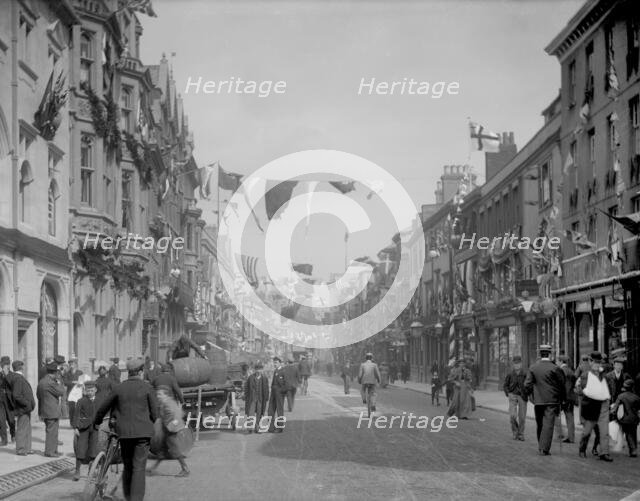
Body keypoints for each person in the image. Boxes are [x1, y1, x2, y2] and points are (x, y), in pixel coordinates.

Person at [94, 358, 158, 501]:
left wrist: (97, 421)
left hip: (124, 434)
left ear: (128, 373)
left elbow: (103, 407)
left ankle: (129, 497)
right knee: (139, 468)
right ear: (140, 372)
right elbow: (155, 413)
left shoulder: (119, 387)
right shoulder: (148, 388)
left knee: (128, 466)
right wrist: (148, 423)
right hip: (142, 434)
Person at [524, 344, 566, 456]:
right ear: (550, 354)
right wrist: (563, 400)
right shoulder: (555, 368)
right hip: (552, 400)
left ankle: (541, 445)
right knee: (548, 424)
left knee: (540, 423)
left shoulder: (533, 367)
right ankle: (544, 448)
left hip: (538, 401)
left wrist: (528, 396)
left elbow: (527, 384)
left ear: (540, 354)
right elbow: (562, 385)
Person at [576, 351, 613, 461]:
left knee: (604, 431)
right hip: (591, 405)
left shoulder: (604, 375)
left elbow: (608, 388)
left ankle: (604, 453)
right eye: (595, 362)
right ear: (590, 362)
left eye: (599, 363)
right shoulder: (585, 375)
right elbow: (580, 391)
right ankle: (582, 449)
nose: (597, 365)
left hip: (603, 405)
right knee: (587, 431)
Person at [149, 386, 190, 477]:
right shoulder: (165, 402)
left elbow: (177, 414)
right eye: (157, 394)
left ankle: (185, 469)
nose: (158, 396)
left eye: (160, 394)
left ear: (166, 395)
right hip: (167, 429)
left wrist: (171, 425)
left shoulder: (168, 403)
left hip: (170, 430)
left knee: (174, 450)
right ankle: (153, 468)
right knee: (162, 451)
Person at [37, 360, 66, 457]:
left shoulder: (42, 381)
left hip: (45, 410)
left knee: (52, 431)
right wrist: (59, 382)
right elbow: (61, 391)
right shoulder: (51, 383)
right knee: (52, 432)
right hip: (52, 411)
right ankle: (50, 452)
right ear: (54, 372)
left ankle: (54, 451)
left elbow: (38, 395)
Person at [72, 380, 98, 481]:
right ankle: (77, 471)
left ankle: (91, 471)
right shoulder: (81, 401)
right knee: (80, 449)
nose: (90, 392)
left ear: (95, 390)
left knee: (93, 449)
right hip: (83, 428)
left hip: (95, 428)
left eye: (91, 390)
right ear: (85, 391)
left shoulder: (99, 400)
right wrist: (75, 428)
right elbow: (76, 415)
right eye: (88, 390)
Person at [10, 361, 34, 456]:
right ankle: (20, 449)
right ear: (20, 367)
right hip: (23, 408)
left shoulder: (18, 377)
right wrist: (27, 403)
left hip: (25, 408)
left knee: (27, 428)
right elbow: (16, 395)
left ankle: (27, 448)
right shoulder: (18, 378)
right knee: (22, 428)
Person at [612, 379, 640, 457]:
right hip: (634, 419)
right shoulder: (637, 397)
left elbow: (614, 409)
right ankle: (634, 449)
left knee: (628, 434)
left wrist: (613, 415)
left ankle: (633, 450)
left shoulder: (621, 396)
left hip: (624, 419)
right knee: (633, 433)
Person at [503, 355, 527, 441]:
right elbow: (505, 385)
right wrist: (508, 393)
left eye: (518, 363)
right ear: (513, 364)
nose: (517, 365)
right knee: (512, 416)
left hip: (522, 396)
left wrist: (527, 393)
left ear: (521, 364)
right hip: (512, 395)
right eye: (515, 364)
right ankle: (515, 432)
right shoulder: (510, 374)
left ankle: (521, 434)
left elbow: (529, 385)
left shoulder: (525, 374)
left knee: (522, 417)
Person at [555, 355, 577, 444]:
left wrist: (562, 398)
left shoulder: (561, 371)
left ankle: (560, 434)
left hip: (563, 397)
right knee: (570, 417)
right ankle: (571, 437)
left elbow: (562, 386)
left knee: (555, 414)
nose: (556, 363)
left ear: (561, 361)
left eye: (557, 361)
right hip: (571, 397)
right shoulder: (571, 371)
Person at [244, 363, 269, 433]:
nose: (258, 371)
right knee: (250, 413)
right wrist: (246, 396)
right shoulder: (251, 377)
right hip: (252, 399)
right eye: (257, 369)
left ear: (262, 370)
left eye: (260, 370)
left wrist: (266, 397)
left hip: (261, 399)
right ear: (255, 370)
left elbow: (266, 389)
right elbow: (246, 388)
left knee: (259, 413)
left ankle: (257, 428)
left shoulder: (264, 378)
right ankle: (249, 428)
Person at [268, 357, 287, 433]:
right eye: (274, 362)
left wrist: (281, 392)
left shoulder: (283, 371)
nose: (274, 364)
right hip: (273, 394)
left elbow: (286, 384)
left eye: (276, 362)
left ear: (280, 363)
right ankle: (271, 427)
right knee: (270, 410)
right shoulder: (275, 371)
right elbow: (273, 383)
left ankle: (280, 428)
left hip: (279, 394)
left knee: (279, 411)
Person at [62, 359, 83, 426]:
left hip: (78, 393)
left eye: (73, 364)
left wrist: (80, 383)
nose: (71, 366)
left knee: (79, 408)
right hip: (70, 393)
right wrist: (73, 382)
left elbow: (82, 381)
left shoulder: (80, 372)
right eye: (70, 364)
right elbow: (65, 382)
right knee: (71, 409)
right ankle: (72, 423)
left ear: (76, 364)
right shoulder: (67, 373)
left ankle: (78, 422)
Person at [0, 356, 15, 445]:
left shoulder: (12, 375)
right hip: (0, 400)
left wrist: (6, 375)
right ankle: (4, 440)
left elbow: (12, 385)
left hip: (9, 400)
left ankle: (13, 435)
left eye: (6, 364)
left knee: (11, 419)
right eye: (3, 364)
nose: (5, 366)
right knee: (1, 420)